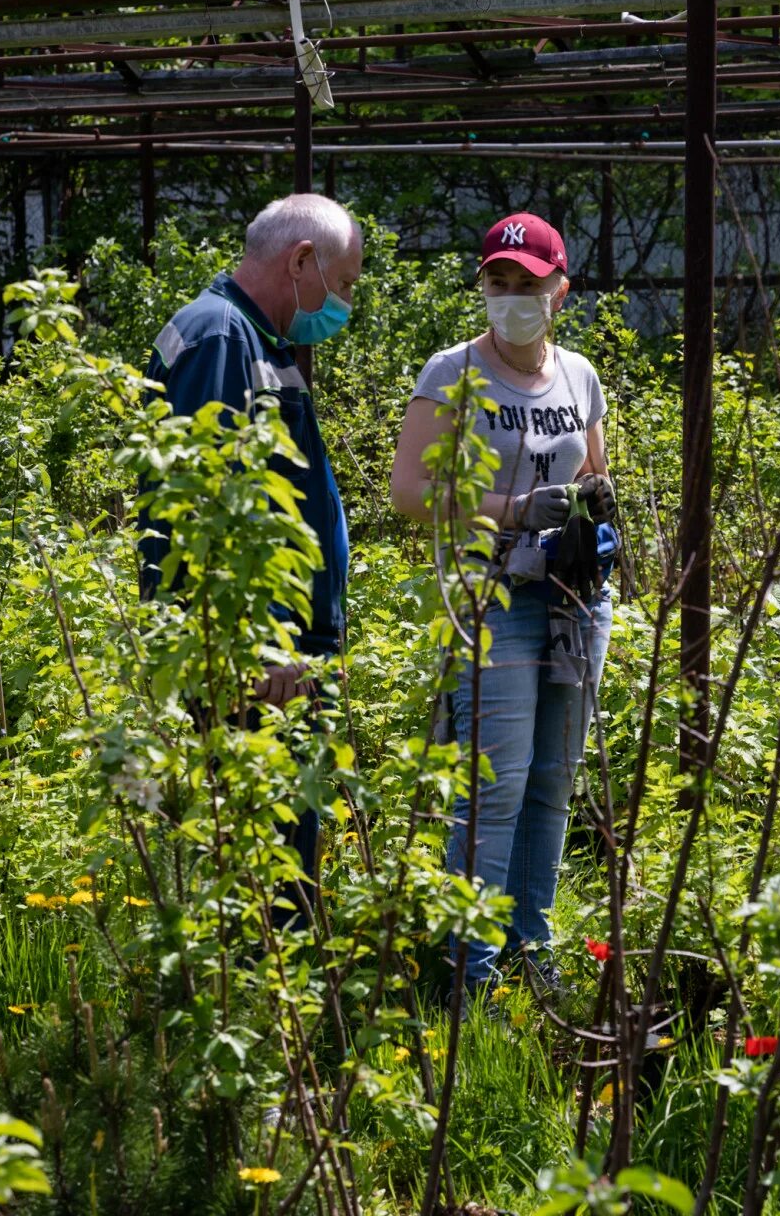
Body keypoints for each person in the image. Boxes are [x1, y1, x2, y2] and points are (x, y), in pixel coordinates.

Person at [388, 212, 615, 999]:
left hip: (575, 601)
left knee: (554, 777)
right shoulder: (453, 371)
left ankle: (531, 946)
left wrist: (592, 511)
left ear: (561, 290)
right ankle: (467, 971)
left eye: (529, 285)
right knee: (494, 784)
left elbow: (594, 480)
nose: (513, 297)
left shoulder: (579, 376)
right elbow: (410, 491)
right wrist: (516, 508)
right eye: (499, 283)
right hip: (493, 598)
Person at [139, 192, 362, 922]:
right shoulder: (223, 339)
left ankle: (272, 1006)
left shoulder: (246, 336)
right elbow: (209, 503)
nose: (344, 302)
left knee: (275, 849)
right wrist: (261, 645)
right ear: (302, 262)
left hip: (273, 650)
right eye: (346, 282)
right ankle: (274, 1013)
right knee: (269, 862)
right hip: (259, 660)